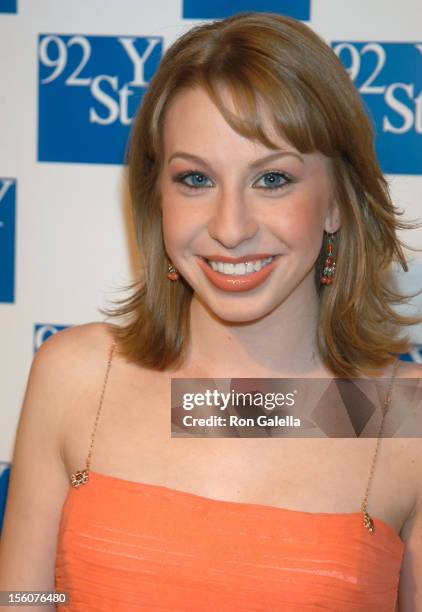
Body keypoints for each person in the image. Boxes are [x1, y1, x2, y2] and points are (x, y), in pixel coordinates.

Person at [0, 11, 421, 612]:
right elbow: (21, 599)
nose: (230, 228)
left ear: (337, 205)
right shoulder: (76, 378)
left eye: (272, 179)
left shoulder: (403, 417)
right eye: (195, 178)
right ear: (158, 197)